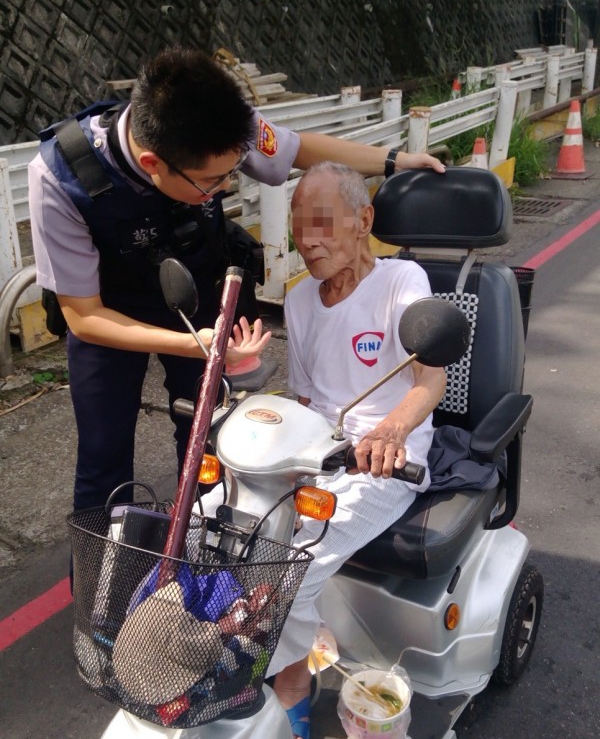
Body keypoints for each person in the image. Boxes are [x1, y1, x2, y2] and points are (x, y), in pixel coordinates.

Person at [29, 46, 444, 513]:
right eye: (214, 181)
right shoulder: (60, 175)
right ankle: (97, 583)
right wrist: (195, 344)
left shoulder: (223, 119)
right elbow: (83, 316)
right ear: (153, 166)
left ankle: (207, 557)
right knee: (102, 461)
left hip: (199, 292)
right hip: (108, 313)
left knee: (210, 440)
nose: (227, 185)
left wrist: (395, 160)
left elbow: (295, 149)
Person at [268, 162, 448, 739]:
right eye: (299, 228)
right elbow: (303, 398)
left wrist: (392, 431)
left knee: (295, 565)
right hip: (314, 450)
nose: (308, 242)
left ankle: (293, 687)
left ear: (364, 220)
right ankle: (250, 646)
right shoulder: (297, 301)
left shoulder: (402, 281)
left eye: (322, 225)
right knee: (216, 521)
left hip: (385, 461)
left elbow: (430, 381)